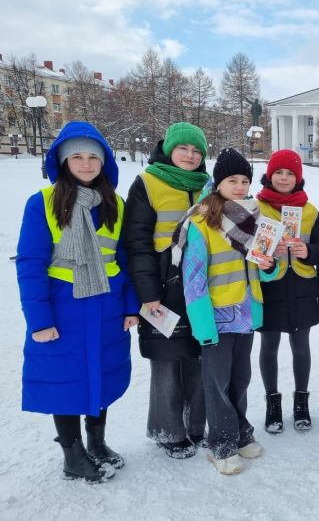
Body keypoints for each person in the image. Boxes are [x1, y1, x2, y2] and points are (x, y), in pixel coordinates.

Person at [16, 121, 139, 483]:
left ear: (104, 161)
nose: (86, 164)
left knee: (100, 373)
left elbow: (126, 256)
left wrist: (131, 305)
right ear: (63, 161)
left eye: (93, 157)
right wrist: (39, 320)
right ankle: (73, 456)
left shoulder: (116, 203)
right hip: (63, 308)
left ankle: (97, 444)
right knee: (66, 382)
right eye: (77, 157)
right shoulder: (42, 203)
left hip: (107, 306)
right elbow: (31, 264)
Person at [172, 148, 273, 475]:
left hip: (245, 315)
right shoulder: (201, 222)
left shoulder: (255, 218)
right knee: (216, 385)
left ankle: (241, 433)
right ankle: (222, 444)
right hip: (215, 318)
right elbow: (194, 279)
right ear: (218, 183)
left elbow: (265, 270)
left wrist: (270, 265)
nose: (241, 186)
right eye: (233, 180)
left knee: (240, 380)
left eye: (245, 180)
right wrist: (203, 325)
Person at [124, 122, 209, 458]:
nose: (189, 155)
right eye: (183, 148)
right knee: (165, 359)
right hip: (163, 284)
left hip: (199, 285)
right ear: (169, 149)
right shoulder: (148, 182)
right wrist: (148, 292)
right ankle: (167, 430)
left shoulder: (207, 187)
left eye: (196, 150)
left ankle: (195, 425)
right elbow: (137, 242)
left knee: (199, 354)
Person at [255, 149, 319, 433]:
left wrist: (307, 250)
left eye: (290, 174)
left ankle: (302, 403)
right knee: (269, 347)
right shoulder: (256, 207)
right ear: (269, 175)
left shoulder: (309, 211)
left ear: (298, 178)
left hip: (301, 287)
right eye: (279, 173)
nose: (284, 178)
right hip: (269, 288)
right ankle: (272, 403)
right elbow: (244, 245)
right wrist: (263, 254)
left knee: (301, 347)